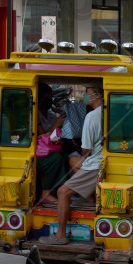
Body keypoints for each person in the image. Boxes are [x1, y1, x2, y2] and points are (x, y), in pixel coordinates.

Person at [39, 84, 105, 245]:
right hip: (101, 161)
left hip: (94, 163)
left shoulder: (92, 116)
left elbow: (86, 148)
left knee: (62, 192)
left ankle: (60, 235)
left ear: (96, 96)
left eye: (87, 93)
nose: (85, 97)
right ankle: (87, 198)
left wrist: (83, 154)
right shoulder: (107, 112)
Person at [36, 83, 68, 204]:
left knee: (65, 157)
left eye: (50, 99)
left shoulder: (51, 115)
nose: (48, 102)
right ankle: (46, 193)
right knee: (56, 159)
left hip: (51, 148)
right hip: (38, 152)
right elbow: (41, 137)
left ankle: (58, 191)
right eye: (45, 99)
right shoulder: (35, 115)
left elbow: (54, 135)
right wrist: (55, 125)